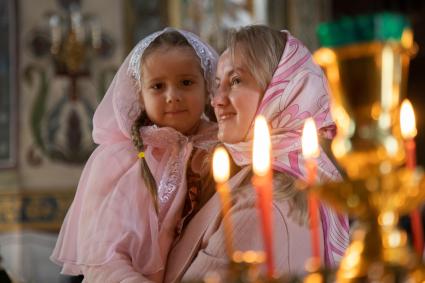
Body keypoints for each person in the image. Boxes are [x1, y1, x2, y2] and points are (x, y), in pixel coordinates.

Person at [163, 25, 349, 282]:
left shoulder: (264, 205)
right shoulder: (310, 172)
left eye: (236, 81)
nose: (217, 99)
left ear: (281, 91)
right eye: (218, 84)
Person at [50, 27, 218, 282]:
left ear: (207, 88)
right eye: (158, 86)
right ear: (140, 95)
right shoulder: (120, 160)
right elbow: (103, 255)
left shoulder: (223, 150)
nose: (173, 96)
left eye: (186, 82)